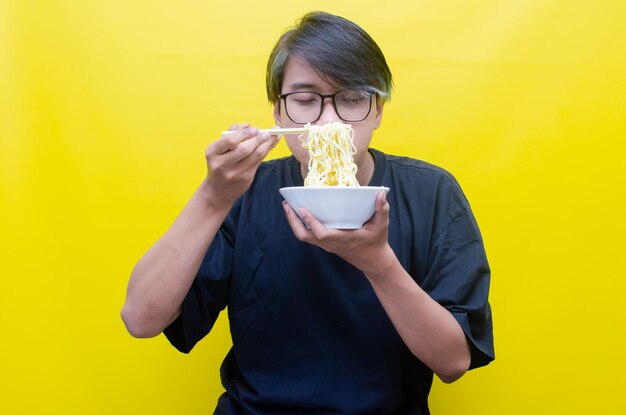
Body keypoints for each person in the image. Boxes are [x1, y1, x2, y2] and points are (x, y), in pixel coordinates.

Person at [122, 11, 494, 415]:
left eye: (352, 98)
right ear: (279, 114)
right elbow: (141, 319)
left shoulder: (432, 193)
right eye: (305, 100)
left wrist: (378, 264)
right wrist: (213, 197)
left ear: (378, 111)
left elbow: (453, 362)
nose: (329, 120)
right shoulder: (243, 193)